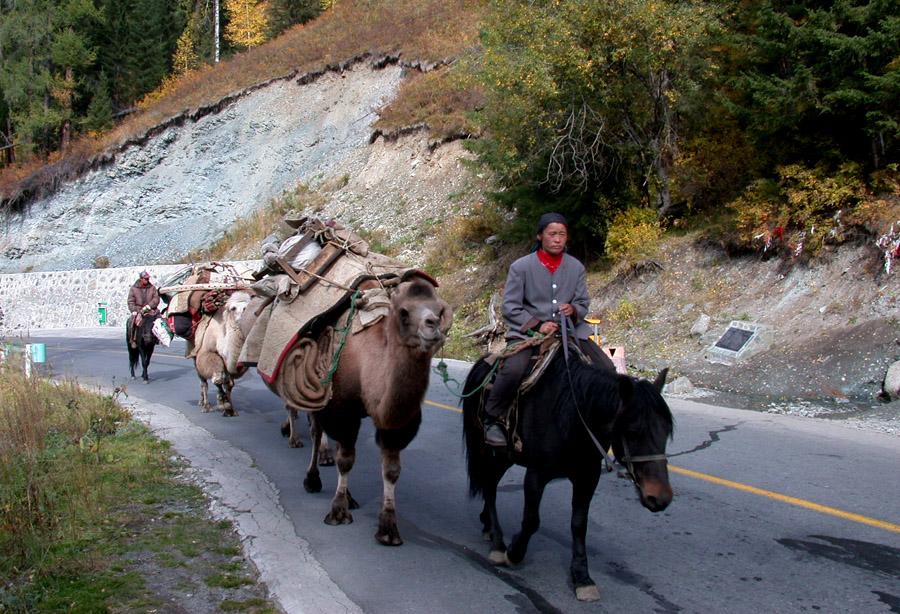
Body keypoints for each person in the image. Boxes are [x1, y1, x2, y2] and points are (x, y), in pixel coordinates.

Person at [483, 212, 616, 447]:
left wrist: (573, 310)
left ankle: (608, 425)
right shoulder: (521, 267)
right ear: (540, 236)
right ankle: (493, 418)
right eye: (552, 234)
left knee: (606, 368)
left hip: (570, 333)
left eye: (562, 234)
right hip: (529, 335)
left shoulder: (575, 267)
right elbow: (510, 306)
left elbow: (583, 302)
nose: (557, 239)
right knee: (513, 369)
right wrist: (537, 323)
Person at [127, 271, 161, 347]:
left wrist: (150, 305)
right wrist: (134, 310)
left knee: (160, 320)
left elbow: (156, 298)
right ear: (141, 279)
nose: (147, 280)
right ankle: (133, 339)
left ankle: (158, 338)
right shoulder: (133, 288)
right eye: (145, 278)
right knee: (131, 322)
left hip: (150, 310)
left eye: (148, 278)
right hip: (139, 310)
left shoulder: (152, 288)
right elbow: (131, 300)